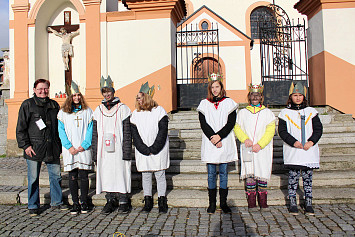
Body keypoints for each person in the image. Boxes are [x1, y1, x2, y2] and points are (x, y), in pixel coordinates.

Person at [16, 79, 67, 216]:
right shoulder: (27, 105)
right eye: (40, 89)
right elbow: (21, 128)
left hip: (52, 147)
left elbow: (59, 127)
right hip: (34, 148)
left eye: (45, 89)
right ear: (34, 90)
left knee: (56, 177)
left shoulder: (54, 104)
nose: (43, 91)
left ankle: (57, 202)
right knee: (33, 178)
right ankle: (33, 205)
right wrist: (25, 145)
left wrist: (60, 145)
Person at [278, 82, 323, 215]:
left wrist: (311, 141)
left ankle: (308, 201)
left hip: (308, 150)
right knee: (293, 177)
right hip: (294, 150)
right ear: (291, 97)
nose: (297, 98)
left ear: (304, 97)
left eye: (300, 95)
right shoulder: (285, 113)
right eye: (295, 95)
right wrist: (294, 142)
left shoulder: (311, 112)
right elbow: (282, 131)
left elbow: (318, 129)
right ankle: (292, 201)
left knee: (308, 178)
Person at [197, 73, 238, 214]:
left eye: (217, 86)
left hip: (224, 141)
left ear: (221, 87)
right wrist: (213, 138)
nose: (215, 89)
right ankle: (212, 203)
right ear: (210, 88)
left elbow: (231, 122)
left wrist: (219, 136)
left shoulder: (229, 102)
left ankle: (223, 203)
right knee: (211, 173)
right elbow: (203, 123)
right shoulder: (204, 103)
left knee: (224, 173)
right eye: (212, 87)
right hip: (210, 143)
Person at [92, 76, 132, 214]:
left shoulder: (123, 108)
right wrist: (95, 151)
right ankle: (110, 200)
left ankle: (123, 200)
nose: (107, 94)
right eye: (104, 92)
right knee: (107, 173)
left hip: (119, 148)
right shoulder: (98, 110)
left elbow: (127, 132)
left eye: (109, 91)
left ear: (113, 91)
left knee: (120, 172)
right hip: (104, 150)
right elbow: (95, 133)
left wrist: (127, 151)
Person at [234, 84, 275, 210]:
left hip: (262, 148)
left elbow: (270, 130)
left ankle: (262, 200)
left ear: (261, 97)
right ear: (249, 96)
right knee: (250, 173)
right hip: (248, 146)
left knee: (262, 171)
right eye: (253, 94)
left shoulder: (267, 113)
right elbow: (237, 127)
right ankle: (251, 200)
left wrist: (261, 144)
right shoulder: (243, 112)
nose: (255, 97)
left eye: (257, 95)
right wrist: (244, 139)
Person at [130, 82, 169, 213]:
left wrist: (155, 148)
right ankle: (148, 201)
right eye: (137, 98)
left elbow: (163, 131)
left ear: (147, 97)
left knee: (159, 174)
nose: (138, 100)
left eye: (140, 97)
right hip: (143, 150)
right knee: (146, 175)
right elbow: (134, 134)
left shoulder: (159, 111)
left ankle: (162, 200)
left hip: (158, 149)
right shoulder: (135, 114)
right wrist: (143, 148)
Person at [57, 81, 93, 215]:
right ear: (70, 97)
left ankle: (84, 201)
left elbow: (90, 129)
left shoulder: (87, 111)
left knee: (83, 176)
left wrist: (84, 145)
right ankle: (75, 203)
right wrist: (69, 146)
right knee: (72, 176)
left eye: (78, 95)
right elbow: (61, 131)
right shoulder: (63, 113)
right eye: (74, 95)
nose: (76, 98)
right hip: (70, 149)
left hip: (83, 148)